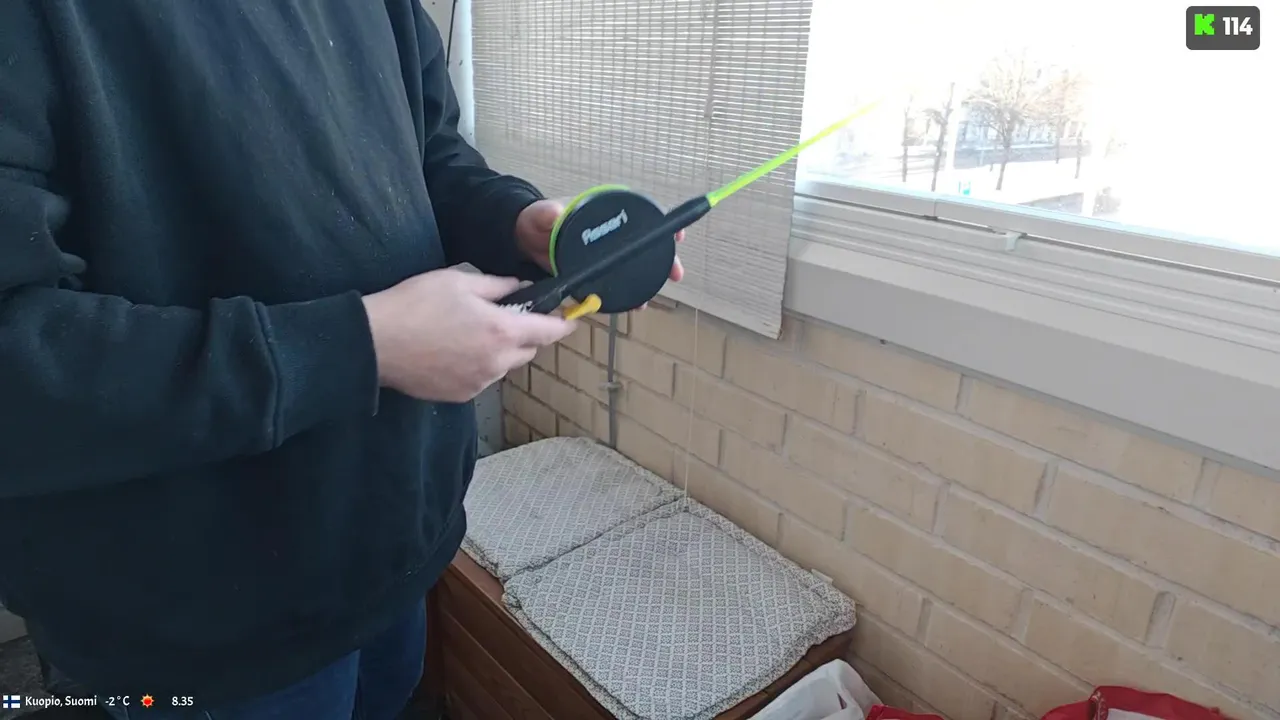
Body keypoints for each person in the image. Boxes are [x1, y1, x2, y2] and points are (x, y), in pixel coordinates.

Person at [0, 1, 684, 718]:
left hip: (393, 543)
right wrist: (359, 347)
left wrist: (515, 221)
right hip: (194, 623)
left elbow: (429, 153)